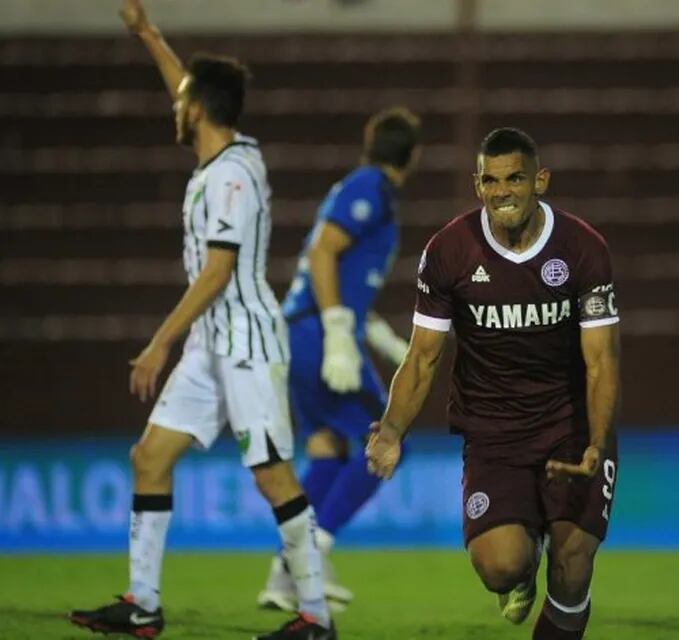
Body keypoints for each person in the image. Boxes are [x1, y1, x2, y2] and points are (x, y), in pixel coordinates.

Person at [69, 2, 335, 639]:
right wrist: (148, 34)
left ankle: (316, 619)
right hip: (212, 343)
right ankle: (143, 603)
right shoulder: (225, 155)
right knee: (149, 457)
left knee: (272, 477)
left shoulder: (232, 179)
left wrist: (157, 344)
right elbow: (187, 86)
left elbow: (217, 273)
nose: (174, 107)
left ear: (198, 110)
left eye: (181, 100)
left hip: (244, 342)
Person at [366, 127, 620, 640]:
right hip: (494, 435)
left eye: (515, 179)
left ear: (540, 181)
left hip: (570, 427)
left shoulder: (583, 250)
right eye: (491, 180)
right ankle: (520, 572)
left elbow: (602, 361)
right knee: (501, 565)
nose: (503, 191)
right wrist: (392, 430)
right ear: (477, 185)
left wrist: (596, 441)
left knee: (572, 565)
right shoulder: (449, 252)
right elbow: (421, 357)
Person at [257, 107, 421, 613]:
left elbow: (346, 278)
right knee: (388, 442)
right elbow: (324, 252)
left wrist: (377, 334)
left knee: (329, 449)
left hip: (304, 330)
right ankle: (307, 556)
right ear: (410, 156)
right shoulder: (369, 187)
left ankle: (283, 578)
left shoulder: (364, 188)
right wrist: (337, 334)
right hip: (316, 332)